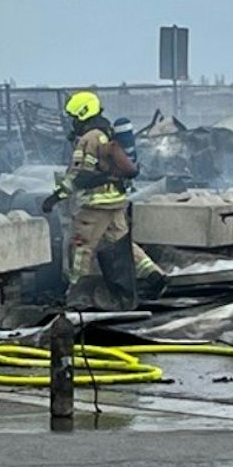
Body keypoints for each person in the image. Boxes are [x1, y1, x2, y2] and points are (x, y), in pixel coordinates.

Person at [41, 90, 164, 306]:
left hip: (95, 205)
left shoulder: (89, 139)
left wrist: (55, 197)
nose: (72, 122)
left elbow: (79, 175)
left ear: (83, 114)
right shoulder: (107, 133)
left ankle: (76, 294)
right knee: (121, 245)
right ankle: (154, 275)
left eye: (74, 118)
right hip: (116, 202)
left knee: (80, 247)